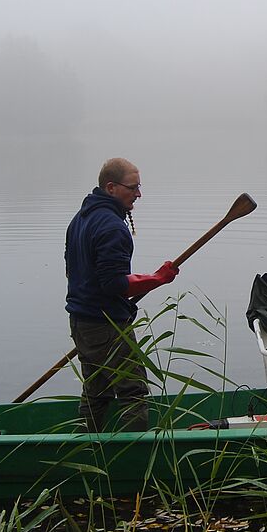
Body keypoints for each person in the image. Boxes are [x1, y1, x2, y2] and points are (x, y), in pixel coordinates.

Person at [65, 157, 178, 432]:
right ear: (111, 188)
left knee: (96, 392)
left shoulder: (80, 219)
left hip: (81, 321)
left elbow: (72, 271)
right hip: (106, 325)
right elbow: (114, 284)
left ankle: (86, 449)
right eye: (133, 188)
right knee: (132, 391)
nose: (138, 194)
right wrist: (157, 279)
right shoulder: (112, 227)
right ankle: (133, 456)